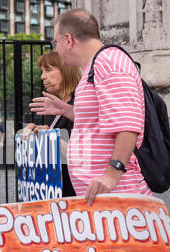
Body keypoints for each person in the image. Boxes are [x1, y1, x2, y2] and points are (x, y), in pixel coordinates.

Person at [30, 9, 150, 205]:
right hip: (104, 198)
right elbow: (102, 120)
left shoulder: (109, 62)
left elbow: (128, 125)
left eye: (56, 42)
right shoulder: (93, 67)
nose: (57, 49)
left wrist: (111, 174)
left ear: (68, 40)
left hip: (119, 196)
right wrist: (65, 110)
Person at [24, 51, 81, 197]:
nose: (42, 76)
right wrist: (34, 131)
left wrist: (50, 136)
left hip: (75, 191)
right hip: (53, 191)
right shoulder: (51, 107)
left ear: (66, 71)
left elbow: (80, 156)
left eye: (48, 70)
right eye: (42, 71)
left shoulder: (81, 104)